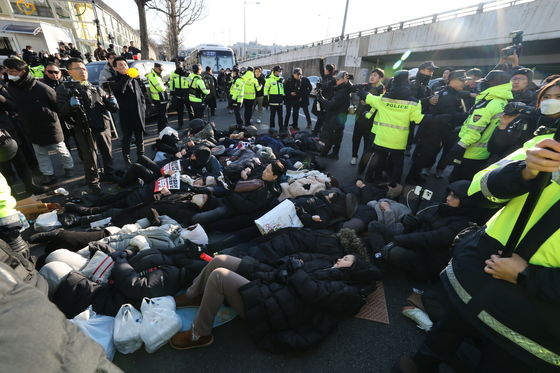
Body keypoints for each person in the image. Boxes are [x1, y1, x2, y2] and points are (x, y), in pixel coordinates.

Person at [393, 91, 560, 373]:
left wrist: (527, 275)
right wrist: (525, 172)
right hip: (480, 270)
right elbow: (479, 189)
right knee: (448, 331)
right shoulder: (543, 144)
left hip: (535, 310)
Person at [170, 252, 379, 351]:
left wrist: (295, 269)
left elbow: (313, 293)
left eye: (344, 259)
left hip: (271, 311)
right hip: (274, 290)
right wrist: (290, 265)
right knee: (221, 259)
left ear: (350, 268)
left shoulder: (344, 290)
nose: (338, 259)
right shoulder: (328, 266)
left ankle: (201, 334)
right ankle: (194, 296)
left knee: (220, 276)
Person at [4, 58, 73, 185]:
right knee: (41, 154)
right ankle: (48, 175)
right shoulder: (12, 88)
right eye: (8, 71)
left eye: (13, 71)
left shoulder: (42, 88)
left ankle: (69, 167)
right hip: (31, 126)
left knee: (61, 149)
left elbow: (57, 106)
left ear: (22, 71)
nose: (10, 74)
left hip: (50, 126)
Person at [56, 58, 119, 194]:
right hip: (84, 129)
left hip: (103, 127)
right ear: (69, 71)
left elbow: (111, 108)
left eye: (84, 69)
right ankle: (93, 183)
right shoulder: (65, 89)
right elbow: (61, 111)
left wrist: (113, 103)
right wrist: (69, 105)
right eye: (78, 68)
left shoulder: (94, 87)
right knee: (90, 158)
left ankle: (110, 174)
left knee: (107, 154)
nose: (83, 71)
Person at [358, 70, 424, 196]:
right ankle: (393, 187)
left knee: (377, 159)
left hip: (381, 139)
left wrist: (361, 91)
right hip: (398, 142)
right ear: (407, 82)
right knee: (397, 165)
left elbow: (369, 98)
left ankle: (369, 181)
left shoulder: (383, 99)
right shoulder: (414, 102)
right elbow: (418, 119)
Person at [442, 70, 513, 182]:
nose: (482, 84)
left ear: (492, 84)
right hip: (482, 153)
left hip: (470, 152)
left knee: (455, 184)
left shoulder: (488, 104)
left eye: (485, 82)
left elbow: (474, 132)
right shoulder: (502, 101)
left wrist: (458, 148)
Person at [406, 70, 470, 184]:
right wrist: (468, 115)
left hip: (436, 130)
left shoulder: (449, 92)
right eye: (462, 81)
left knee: (426, 156)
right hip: (435, 131)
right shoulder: (447, 96)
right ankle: (411, 180)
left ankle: (414, 176)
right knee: (424, 156)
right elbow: (451, 117)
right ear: (454, 80)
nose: (464, 83)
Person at [112, 57, 146, 165]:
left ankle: (141, 157)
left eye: (125, 65)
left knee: (139, 138)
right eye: (120, 65)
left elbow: (141, 96)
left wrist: (143, 108)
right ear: (116, 68)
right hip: (126, 115)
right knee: (126, 138)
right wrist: (127, 76)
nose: (124, 67)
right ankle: (127, 160)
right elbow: (120, 91)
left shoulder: (134, 80)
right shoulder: (115, 80)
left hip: (138, 114)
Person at [351, 68, 384, 165]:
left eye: (375, 75)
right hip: (359, 117)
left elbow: (379, 104)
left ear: (380, 78)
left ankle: (363, 160)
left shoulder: (381, 90)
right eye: (371, 75)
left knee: (367, 142)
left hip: (370, 121)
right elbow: (356, 96)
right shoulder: (365, 86)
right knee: (356, 138)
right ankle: (354, 156)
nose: (372, 77)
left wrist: (367, 101)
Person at [318, 71, 353, 160]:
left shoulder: (342, 91)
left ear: (343, 79)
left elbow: (331, 104)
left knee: (330, 137)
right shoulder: (346, 88)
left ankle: (323, 154)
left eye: (337, 79)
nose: (336, 81)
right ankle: (335, 154)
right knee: (338, 136)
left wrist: (321, 99)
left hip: (335, 119)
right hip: (340, 118)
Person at [313, 59, 336, 136]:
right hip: (322, 101)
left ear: (327, 70)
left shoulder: (332, 79)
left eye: (325, 69)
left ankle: (316, 132)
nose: (324, 70)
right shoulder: (326, 77)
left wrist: (321, 87)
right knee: (320, 117)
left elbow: (326, 87)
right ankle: (318, 130)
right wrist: (321, 60)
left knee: (321, 118)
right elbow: (321, 70)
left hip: (324, 101)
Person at [146, 63, 169, 131]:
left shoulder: (156, 75)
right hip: (159, 98)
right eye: (160, 69)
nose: (161, 71)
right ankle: (163, 129)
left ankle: (162, 129)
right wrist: (165, 87)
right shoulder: (153, 76)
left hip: (160, 97)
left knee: (162, 115)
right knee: (162, 116)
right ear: (156, 68)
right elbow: (160, 88)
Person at [169, 62, 191, 128]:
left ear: (182, 65)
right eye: (177, 65)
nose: (178, 66)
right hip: (178, 92)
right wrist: (172, 91)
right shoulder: (173, 73)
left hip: (186, 91)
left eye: (179, 65)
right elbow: (171, 82)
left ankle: (193, 123)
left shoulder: (187, 73)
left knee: (189, 109)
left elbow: (190, 82)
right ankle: (180, 124)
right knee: (179, 110)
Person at [264, 65, 284, 130]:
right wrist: (266, 99)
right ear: (274, 72)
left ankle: (281, 128)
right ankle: (272, 129)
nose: (280, 72)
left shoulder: (281, 80)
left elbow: (282, 90)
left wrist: (284, 98)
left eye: (281, 71)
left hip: (280, 102)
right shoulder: (269, 80)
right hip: (273, 102)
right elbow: (265, 90)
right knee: (272, 116)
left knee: (280, 117)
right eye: (279, 71)